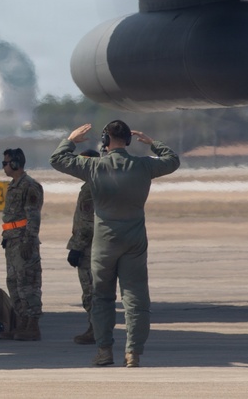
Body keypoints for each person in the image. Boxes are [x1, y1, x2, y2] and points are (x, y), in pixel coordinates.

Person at [50, 121, 180, 368]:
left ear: (105, 140)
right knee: (136, 298)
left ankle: (104, 351)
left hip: (105, 241)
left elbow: (57, 159)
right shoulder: (143, 166)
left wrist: (70, 139)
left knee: (102, 297)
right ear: (128, 141)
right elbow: (173, 160)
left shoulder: (94, 166)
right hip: (134, 239)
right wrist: (154, 143)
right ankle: (133, 353)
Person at [0, 148, 44, 341]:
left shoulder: (29, 186)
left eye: (6, 163)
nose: (4, 167)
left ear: (16, 164)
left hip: (23, 242)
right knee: (14, 283)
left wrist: (28, 241)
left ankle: (32, 324)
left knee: (28, 283)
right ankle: (21, 322)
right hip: (12, 241)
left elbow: (33, 217)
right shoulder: (13, 186)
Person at [67, 148, 100, 345]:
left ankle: (95, 329)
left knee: (91, 290)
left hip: (89, 249)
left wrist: (77, 247)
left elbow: (87, 222)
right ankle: (97, 327)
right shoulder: (95, 184)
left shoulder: (90, 188)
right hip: (95, 246)